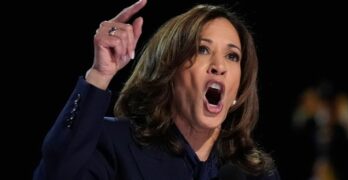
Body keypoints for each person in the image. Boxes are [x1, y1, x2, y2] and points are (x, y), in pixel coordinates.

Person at [33, 0, 281, 179]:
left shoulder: (254, 172)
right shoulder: (115, 144)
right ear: (169, 72)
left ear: (237, 91)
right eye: (202, 49)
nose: (219, 66)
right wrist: (100, 75)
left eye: (232, 56)